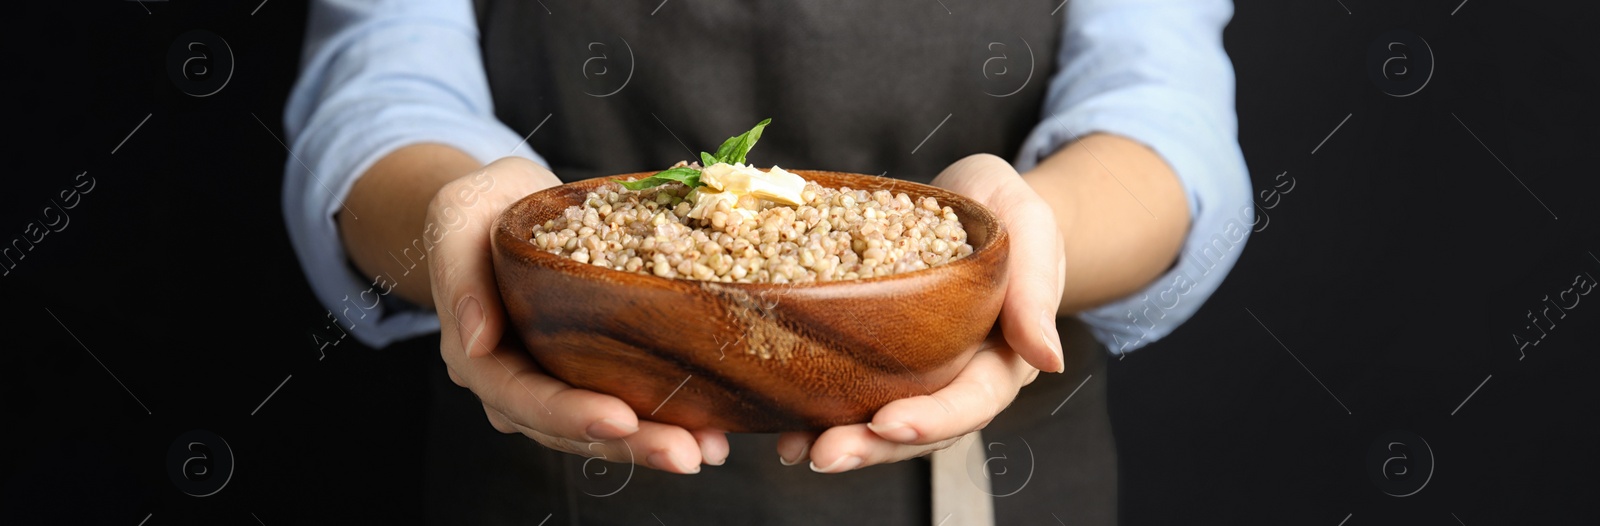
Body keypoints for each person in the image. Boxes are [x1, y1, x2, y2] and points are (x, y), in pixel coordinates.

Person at [282, 0, 1250, 523]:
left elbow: (1162, 115)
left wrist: (1019, 238)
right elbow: (381, 85)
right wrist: (471, 221)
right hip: (558, 466)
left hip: (993, 486)